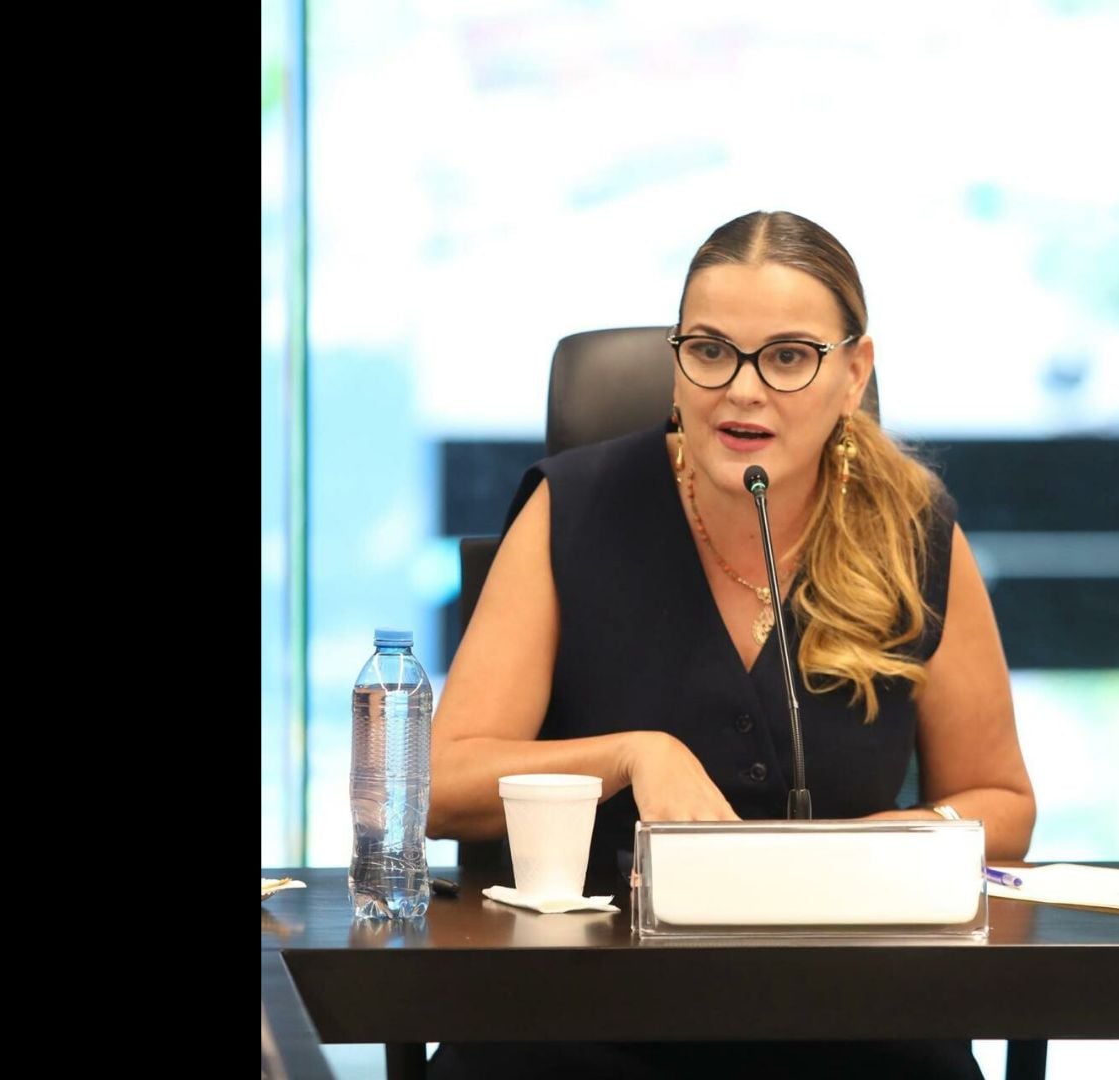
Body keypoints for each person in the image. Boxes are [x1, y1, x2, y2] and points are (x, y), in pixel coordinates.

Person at [427, 210, 1035, 1080]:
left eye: (788, 357)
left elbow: (1002, 801)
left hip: (855, 1015)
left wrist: (895, 843)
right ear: (676, 365)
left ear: (853, 373)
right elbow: (438, 787)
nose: (742, 390)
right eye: (711, 351)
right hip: (583, 1014)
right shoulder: (576, 508)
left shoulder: (913, 533)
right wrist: (631, 756)